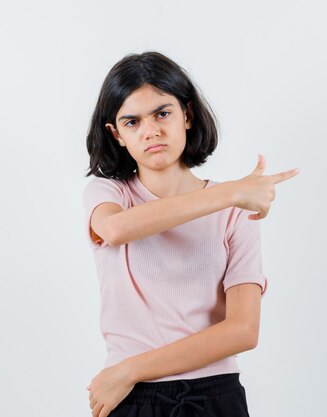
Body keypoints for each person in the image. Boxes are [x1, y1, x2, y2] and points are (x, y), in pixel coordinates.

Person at [82, 51, 299, 417]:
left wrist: (132, 368)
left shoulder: (234, 212)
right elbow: (116, 230)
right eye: (132, 122)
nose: (151, 131)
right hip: (132, 397)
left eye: (162, 113)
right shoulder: (109, 194)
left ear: (187, 114)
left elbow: (244, 330)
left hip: (208, 393)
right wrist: (230, 192)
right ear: (116, 134)